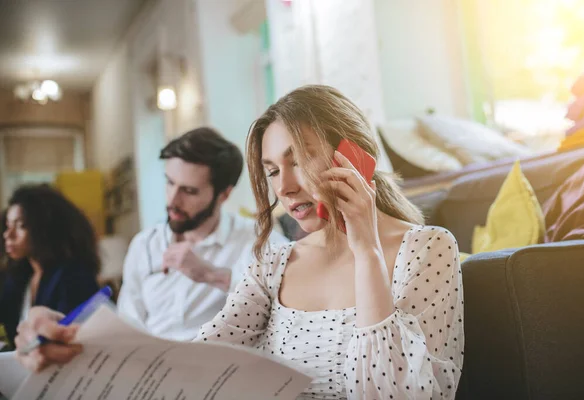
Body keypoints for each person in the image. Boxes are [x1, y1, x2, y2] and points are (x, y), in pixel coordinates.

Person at [15, 86, 464, 400]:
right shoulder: (273, 262)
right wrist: (73, 343)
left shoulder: (427, 248)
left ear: (356, 157)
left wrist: (365, 249)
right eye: (271, 170)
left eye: (299, 160)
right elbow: (190, 361)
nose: (284, 188)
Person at [116, 127, 287, 341]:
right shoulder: (144, 244)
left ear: (224, 194)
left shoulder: (258, 239)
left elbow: (288, 298)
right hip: (154, 366)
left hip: (223, 366)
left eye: (189, 191)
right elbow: (129, 324)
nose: (172, 201)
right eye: (169, 183)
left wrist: (212, 275)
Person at [0, 185, 100, 348]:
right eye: (7, 225)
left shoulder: (72, 276)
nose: (8, 234)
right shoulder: (19, 277)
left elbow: (79, 339)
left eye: (20, 226)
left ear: (44, 228)